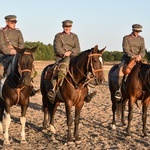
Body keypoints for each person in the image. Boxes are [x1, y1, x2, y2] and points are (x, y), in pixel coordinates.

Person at [47, 20, 96, 103]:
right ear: (63, 27)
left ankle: (88, 91)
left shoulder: (75, 36)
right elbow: (56, 47)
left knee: (84, 70)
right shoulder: (58, 36)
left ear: (71, 27)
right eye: (66, 27)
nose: (67, 28)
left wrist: (71, 52)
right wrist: (64, 53)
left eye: (69, 27)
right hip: (61, 58)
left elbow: (77, 48)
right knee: (57, 70)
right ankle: (54, 89)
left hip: (73, 57)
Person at [0, 15, 39, 96]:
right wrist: (10, 51)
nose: (14, 24)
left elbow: (22, 45)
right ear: (7, 22)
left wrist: (17, 51)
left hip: (17, 54)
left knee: (27, 66)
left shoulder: (18, 32)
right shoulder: (1, 31)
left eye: (15, 22)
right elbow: (2, 45)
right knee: (1, 70)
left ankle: (30, 86)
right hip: (5, 56)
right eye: (12, 22)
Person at [114, 24, 146, 100]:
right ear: (133, 30)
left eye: (138, 31)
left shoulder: (141, 39)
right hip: (128, 59)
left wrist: (140, 56)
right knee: (122, 70)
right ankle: (118, 90)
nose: (137, 33)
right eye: (136, 31)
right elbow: (125, 49)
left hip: (139, 59)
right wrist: (133, 56)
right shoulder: (126, 38)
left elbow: (143, 50)